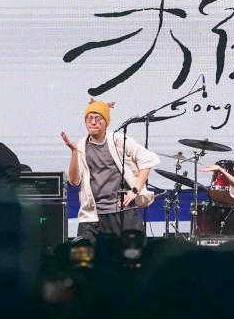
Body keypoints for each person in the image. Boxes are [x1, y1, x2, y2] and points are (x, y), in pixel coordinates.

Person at [60, 99, 159, 241]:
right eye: (89, 118)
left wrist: (135, 190)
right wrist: (74, 152)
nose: (93, 122)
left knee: (131, 252)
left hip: (122, 211)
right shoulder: (81, 146)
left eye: (97, 118)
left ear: (106, 122)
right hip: (92, 216)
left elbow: (147, 160)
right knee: (85, 253)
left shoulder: (119, 140)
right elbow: (74, 181)